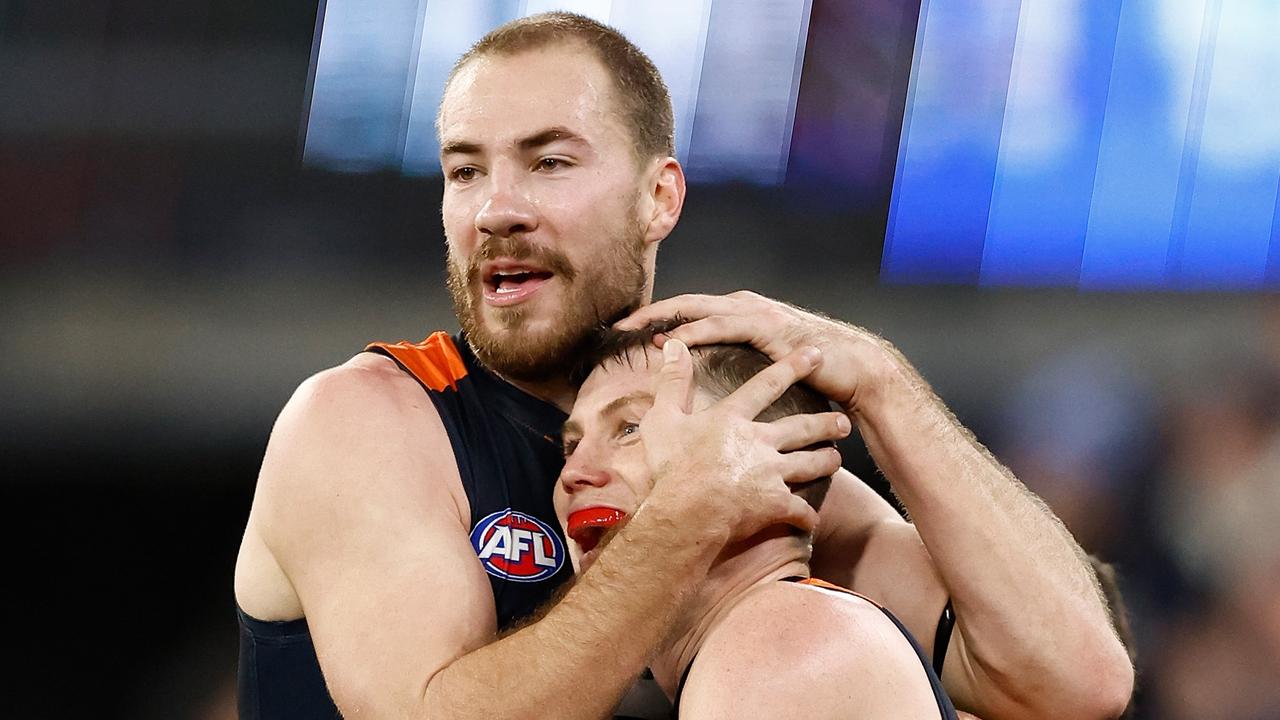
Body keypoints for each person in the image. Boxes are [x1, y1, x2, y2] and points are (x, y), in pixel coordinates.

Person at [234, 11, 1133, 720]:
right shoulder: (366, 422)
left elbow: (1071, 681)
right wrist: (682, 526)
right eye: (465, 172)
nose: (496, 208)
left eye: (548, 161)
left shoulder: (718, 425)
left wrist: (885, 384)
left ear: (660, 196)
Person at [556, 321, 959, 718]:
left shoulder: (782, 642)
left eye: (631, 428)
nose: (574, 471)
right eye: (571, 445)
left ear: (770, 462)